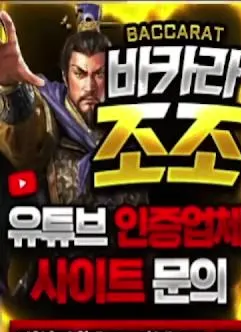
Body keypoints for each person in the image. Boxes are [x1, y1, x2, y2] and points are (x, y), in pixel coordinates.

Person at [0, 6, 145, 206]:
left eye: (100, 74)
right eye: (80, 74)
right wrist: (12, 88)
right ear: (65, 77)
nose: (90, 87)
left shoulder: (133, 117)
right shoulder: (51, 108)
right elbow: (25, 143)